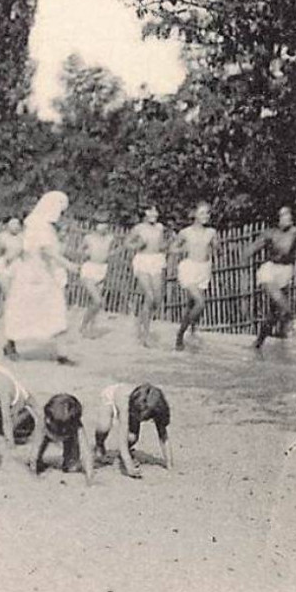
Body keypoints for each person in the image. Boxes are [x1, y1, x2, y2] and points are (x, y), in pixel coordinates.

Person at [2, 191, 77, 364]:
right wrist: (68, 265)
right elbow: (46, 250)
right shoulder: (38, 225)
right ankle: (10, 343)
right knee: (22, 310)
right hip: (31, 274)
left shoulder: (45, 226)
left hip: (45, 273)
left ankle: (61, 353)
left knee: (57, 309)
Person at [243, 206, 296, 352]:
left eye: (289, 214)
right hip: (270, 271)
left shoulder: (295, 232)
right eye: (283, 215)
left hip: (285, 271)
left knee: (274, 314)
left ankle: (258, 342)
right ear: (277, 218)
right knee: (284, 307)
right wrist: (245, 257)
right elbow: (252, 248)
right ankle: (286, 326)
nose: (287, 218)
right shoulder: (270, 234)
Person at [96, 382, 173, 474]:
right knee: (104, 426)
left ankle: (124, 454)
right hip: (111, 396)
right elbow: (122, 438)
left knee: (132, 437)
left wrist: (169, 464)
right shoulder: (126, 403)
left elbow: (163, 437)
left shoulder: (154, 407)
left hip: (133, 405)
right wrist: (129, 467)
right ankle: (99, 444)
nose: (140, 420)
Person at [172, 202, 217, 351]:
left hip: (204, 269)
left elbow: (217, 248)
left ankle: (190, 331)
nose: (206, 216)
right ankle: (180, 334)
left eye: (208, 213)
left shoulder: (211, 232)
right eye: (202, 213)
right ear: (195, 214)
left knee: (192, 305)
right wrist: (183, 248)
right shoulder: (185, 232)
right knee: (200, 303)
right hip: (189, 268)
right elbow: (173, 248)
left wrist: (216, 248)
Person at [27, 393, 94, 484]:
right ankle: (39, 462)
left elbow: (86, 452)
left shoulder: (76, 426)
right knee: (39, 452)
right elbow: (35, 448)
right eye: (47, 418)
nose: (47, 420)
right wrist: (33, 473)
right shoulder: (43, 421)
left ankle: (69, 461)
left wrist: (90, 478)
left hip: (69, 436)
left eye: (49, 420)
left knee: (72, 467)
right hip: (46, 433)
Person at [128, 205, 168, 347]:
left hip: (156, 260)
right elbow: (127, 243)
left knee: (156, 299)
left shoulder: (160, 227)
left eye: (156, 211)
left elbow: (161, 244)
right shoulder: (138, 228)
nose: (154, 213)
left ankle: (141, 320)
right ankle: (145, 335)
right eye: (150, 211)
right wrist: (139, 244)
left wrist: (165, 245)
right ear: (144, 212)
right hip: (143, 261)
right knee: (149, 296)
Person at [79, 219, 114, 337]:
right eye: (100, 224)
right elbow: (80, 250)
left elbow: (112, 251)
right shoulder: (88, 238)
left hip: (102, 269)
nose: (103, 226)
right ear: (95, 225)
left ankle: (91, 327)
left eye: (105, 223)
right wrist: (85, 253)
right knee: (98, 300)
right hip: (89, 269)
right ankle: (84, 325)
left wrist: (110, 255)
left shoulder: (110, 238)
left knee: (95, 303)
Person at [0, 217, 23, 311]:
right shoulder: (2, 236)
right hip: (4, 266)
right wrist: (3, 251)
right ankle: (2, 316)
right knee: (9, 293)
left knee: (16, 294)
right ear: (7, 226)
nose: (15, 226)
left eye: (17, 224)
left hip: (17, 266)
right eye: (12, 224)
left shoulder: (22, 237)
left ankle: (2, 316)